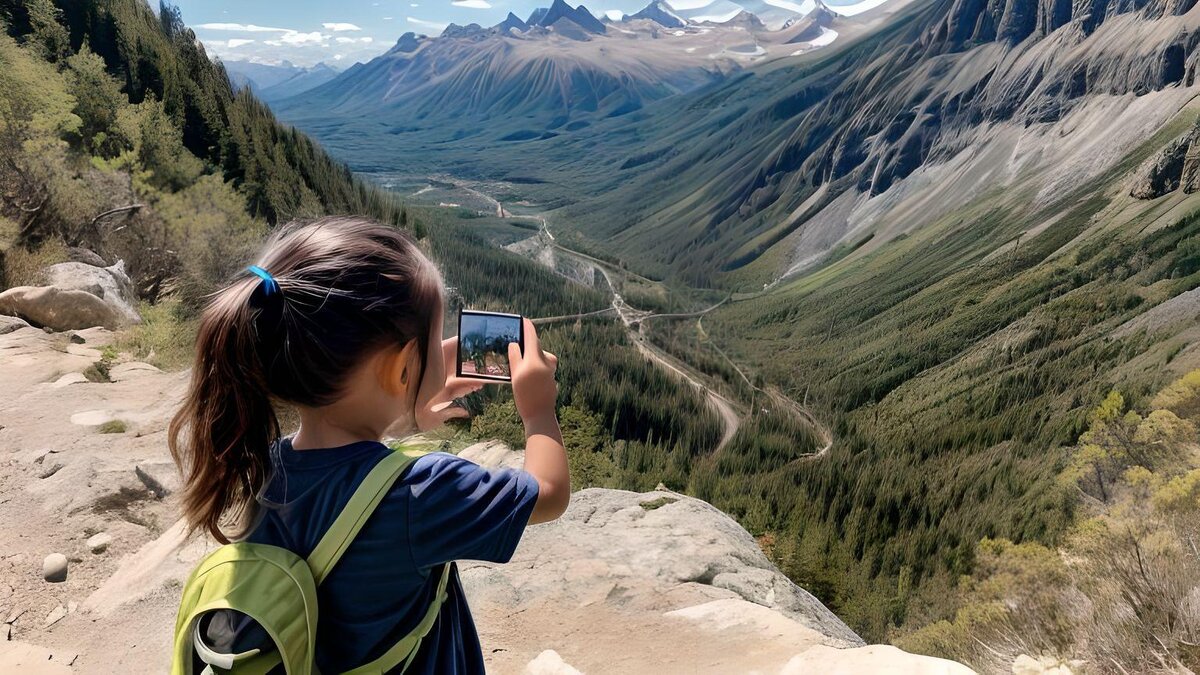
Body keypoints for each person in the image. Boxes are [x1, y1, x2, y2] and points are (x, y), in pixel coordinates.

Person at [167, 217, 570, 674]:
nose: (444, 350)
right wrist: (538, 409)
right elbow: (549, 492)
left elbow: (348, 471)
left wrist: (409, 401)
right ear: (400, 371)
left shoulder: (265, 464)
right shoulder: (424, 492)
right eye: (434, 344)